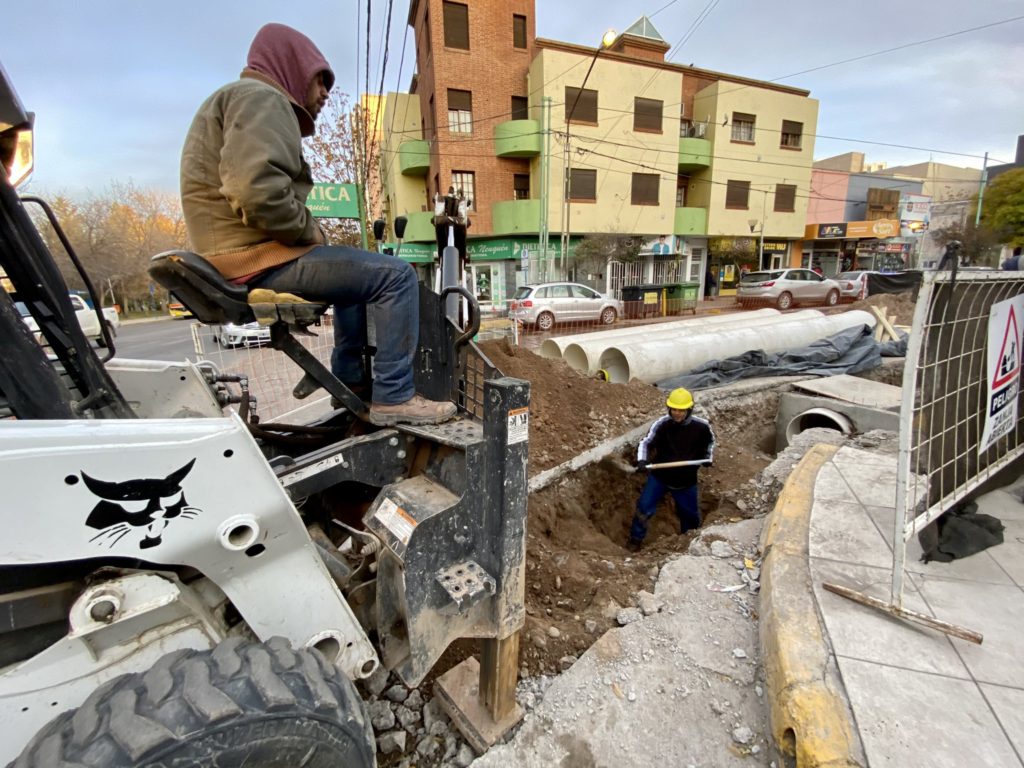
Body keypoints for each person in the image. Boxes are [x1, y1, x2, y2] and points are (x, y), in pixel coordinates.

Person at [180, 23, 455, 427]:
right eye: (319, 79)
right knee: (396, 276)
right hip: (254, 258)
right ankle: (394, 396)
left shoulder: (239, 100)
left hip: (237, 254)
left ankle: (348, 376)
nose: (325, 92)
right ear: (289, 66)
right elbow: (257, 194)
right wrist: (311, 233)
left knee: (355, 281)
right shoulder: (262, 98)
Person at [627, 388, 715, 551]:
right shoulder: (662, 425)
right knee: (644, 508)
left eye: (681, 410)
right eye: (674, 409)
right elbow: (646, 443)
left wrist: (707, 457)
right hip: (660, 477)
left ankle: (687, 544)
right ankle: (635, 540)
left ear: (689, 409)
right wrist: (642, 460)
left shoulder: (701, 427)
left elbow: (709, 443)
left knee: (690, 516)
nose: (677, 413)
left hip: (686, 482)